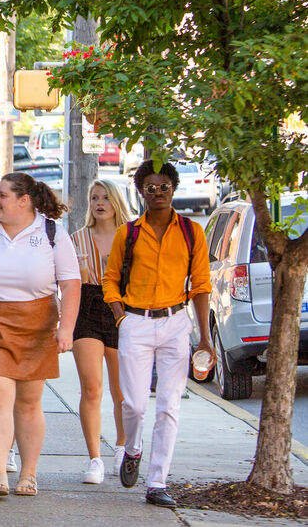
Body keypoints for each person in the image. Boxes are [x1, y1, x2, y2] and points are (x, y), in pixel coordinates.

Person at [0, 172, 81, 498]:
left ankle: (29, 474)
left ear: (24, 201)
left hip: (38, 325)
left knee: (29, 402)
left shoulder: (51, 232)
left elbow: (70, 283)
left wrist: (66, 328)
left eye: (2, 195)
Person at [103, 160, 213, 508]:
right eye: (150, 188)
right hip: (135, 321)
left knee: (168, 407)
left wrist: (206, 337)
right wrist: (120, 316)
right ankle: (133, 449)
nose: (158, 193)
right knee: (134, 404)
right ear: (141, 192)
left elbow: (201, 285)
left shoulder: (192, 232)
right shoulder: (129, 233)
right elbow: (110, 279)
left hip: (175, 322)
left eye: (164, 186)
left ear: (173, 188)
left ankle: (157, 481)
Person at [70, 179, 131, 484]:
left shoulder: (133, 237)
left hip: (122, 310)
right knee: (91, 388)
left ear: (116, 201)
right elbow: (68, 283)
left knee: (122, 392)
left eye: (106, 197)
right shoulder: (77, 239)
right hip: (87, 308)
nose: (99, 202)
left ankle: (121, 447)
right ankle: (95, 458)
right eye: (94, 197)